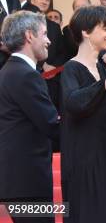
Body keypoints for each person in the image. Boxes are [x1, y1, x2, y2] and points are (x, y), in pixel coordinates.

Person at [59, 6, 106, 223]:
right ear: (85, 32)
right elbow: (75, 103)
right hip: (83, 159)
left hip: (105, 153)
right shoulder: (71, 68)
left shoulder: (101, 68)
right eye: (105, 28)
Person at [0, 11, 59, 223]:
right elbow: (51, 124)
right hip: (28, 183)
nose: (49, 40)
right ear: (29, 36)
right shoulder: (25, 75)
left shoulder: (9, 71)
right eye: (44, 34)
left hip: (19, 183)